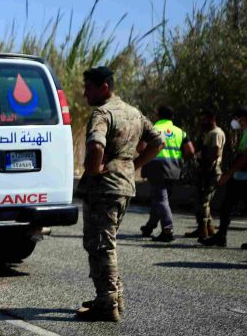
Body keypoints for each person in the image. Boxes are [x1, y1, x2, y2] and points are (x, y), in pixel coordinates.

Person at [76, 67, 163, 322]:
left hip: (104, 187)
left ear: (104, 87)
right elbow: (157, 142)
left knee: (101, 245)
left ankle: (107, 303)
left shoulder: (103, 113)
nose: (84, 93)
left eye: (88, 87)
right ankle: (115, 297)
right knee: (107, 242)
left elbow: (95, 145)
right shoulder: (134, 113)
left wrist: (94, 170)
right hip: (124, 185)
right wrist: (134, 166)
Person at [200, 107, 247, 248]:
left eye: (237, 118)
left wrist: (228, 174)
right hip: (240, 177)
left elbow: (246, 156)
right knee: (226, 207)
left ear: (243, 118)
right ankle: (221, 236)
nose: (235, 121)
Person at [139, 105, 193, 242]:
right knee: (161, 198)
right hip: (174, 169)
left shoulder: (153, 129)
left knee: (161, 199)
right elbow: (191, 151)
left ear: (158, 115)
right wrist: (180, 162)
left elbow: (140, 148)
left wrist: (147, 157)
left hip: (156, 168)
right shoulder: (180, 132)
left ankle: (167, 230)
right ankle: (150, 226)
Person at [184, 110, 225, 239]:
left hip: (211, 171)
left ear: (212, 118)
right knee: (199, 199)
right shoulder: (209, 133)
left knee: (204, 201)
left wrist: (205, 164)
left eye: (204, 119)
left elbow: (215, 153)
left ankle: (204, 230)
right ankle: (207, 228)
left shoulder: (216, 133)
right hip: (205, 170)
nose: (202, 122)